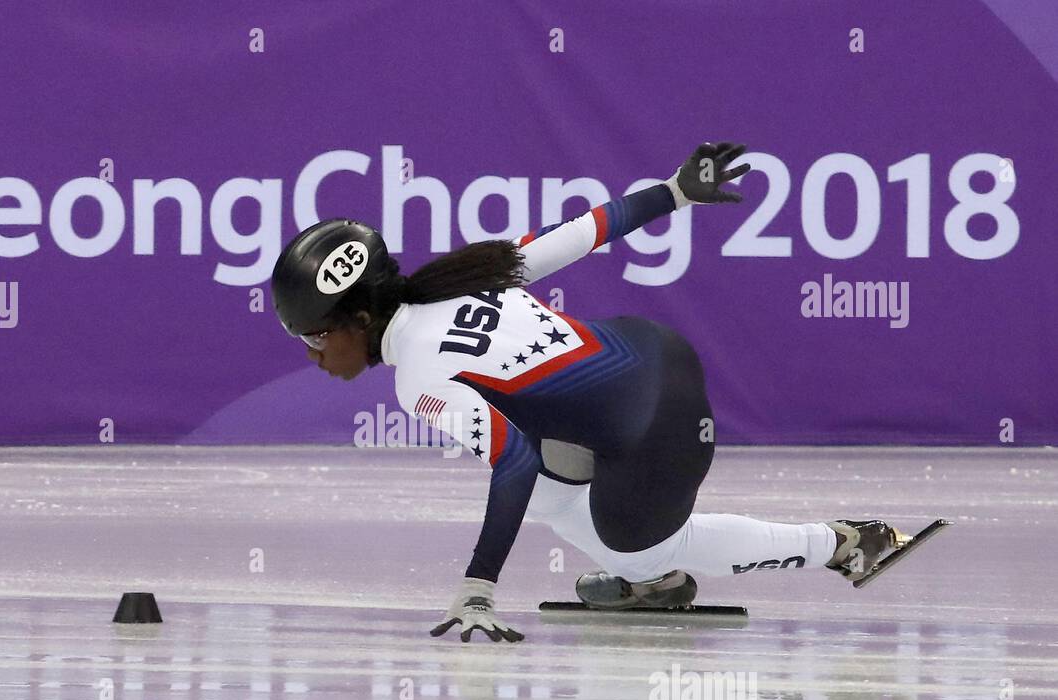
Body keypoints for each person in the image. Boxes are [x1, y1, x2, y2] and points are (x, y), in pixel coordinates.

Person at [270, 143, 899, 643]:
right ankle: (644, 573)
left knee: (643, 545)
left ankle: (839, 544)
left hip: (657, 428)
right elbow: (584, 232)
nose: (310, 353)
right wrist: (675, 191)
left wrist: (479, 584)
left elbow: (510, 458)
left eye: (314, 335)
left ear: (356, 321)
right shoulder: (465, 273)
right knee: (549, 484)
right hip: (659, 354)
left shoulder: (419, 379)